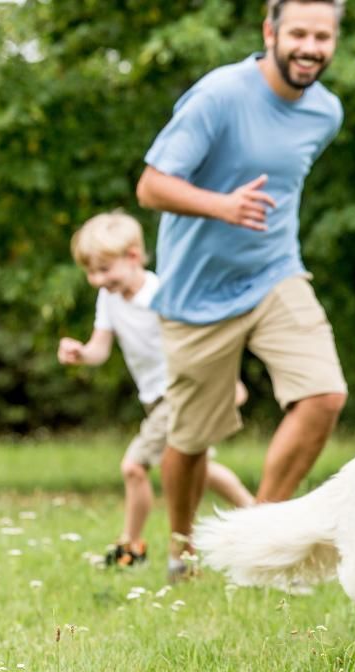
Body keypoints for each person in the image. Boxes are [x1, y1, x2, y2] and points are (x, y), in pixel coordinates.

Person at [135, 0, 348, 580]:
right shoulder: (219, 96)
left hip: (276, 273)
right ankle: (182, 550)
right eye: (299, 33)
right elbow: (151, 186)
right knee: (190, 439)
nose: (310, 47)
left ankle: (258, 534)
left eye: (322, 36)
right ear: (270, 32)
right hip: (195, 293)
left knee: (324, 396)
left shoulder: (326, 112)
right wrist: (222, 205)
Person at [59, 211, 254, 567]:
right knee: (198, 467)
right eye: (90, 271)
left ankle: (131, 548)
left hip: (180, 392)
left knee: (134, 466)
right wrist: (81, 353)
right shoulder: (109, 298)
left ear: (133, 256)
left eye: (104, 269)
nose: (96, 279)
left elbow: (201, 342)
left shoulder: (162, 293)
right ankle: (260, 517)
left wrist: (228, 383)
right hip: (153, 399)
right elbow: (100, 349)